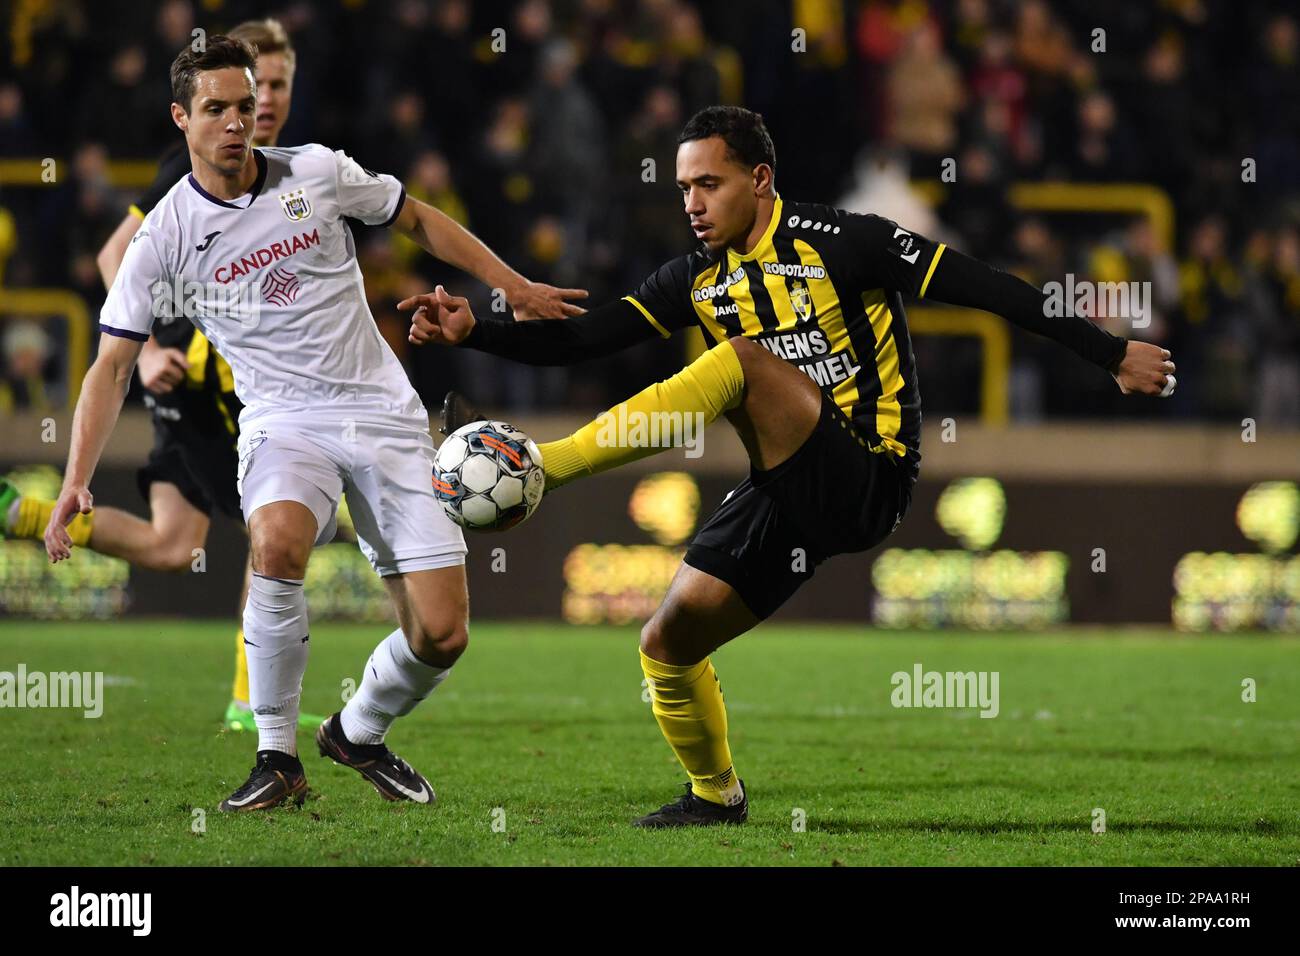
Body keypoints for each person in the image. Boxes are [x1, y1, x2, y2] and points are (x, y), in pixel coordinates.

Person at [406, 105, 1176, 827]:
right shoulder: (695, 278)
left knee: (738, 359)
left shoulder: (846, 242)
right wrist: (477, 330)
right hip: (787, 481)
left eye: (709, 183)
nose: (693, 204)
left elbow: (990, 289)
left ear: (760, 180)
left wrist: (1108, 353)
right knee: (666, 643)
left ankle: (540, 466)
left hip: (870, 471)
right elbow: (584, 338)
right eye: (683, 188)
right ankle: (715, 796)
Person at [42, 35, 584, 812]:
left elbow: (418, 218)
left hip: (385, 413)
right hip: (281, 420)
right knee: (279, 541)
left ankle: (357, 731)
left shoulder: (318, 171)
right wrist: (75, 482)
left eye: (246, 103)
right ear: (180, 119)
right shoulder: (160, 236)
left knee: (442, 635)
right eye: (217, 108)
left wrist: (512, 286)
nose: (240, 118)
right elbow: (110, 366)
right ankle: (276, 757)